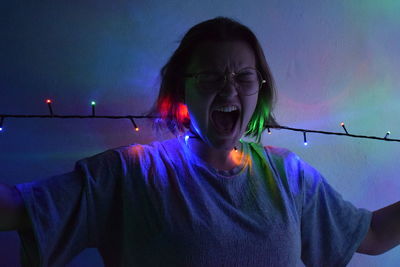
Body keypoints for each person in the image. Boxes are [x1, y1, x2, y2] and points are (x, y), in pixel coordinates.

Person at [0, 16, 399, 267]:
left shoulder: (289, 174)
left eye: (243, 78)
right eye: (210, 76)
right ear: (181, 88)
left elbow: (375, 236)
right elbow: (18, 209)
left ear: (258, 89)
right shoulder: (132, 171)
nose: (229, 91)